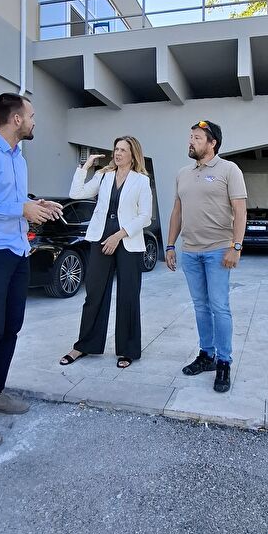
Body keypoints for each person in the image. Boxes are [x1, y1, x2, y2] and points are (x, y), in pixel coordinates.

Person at [0, 93, 63, 448]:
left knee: (10, 327)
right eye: (31, 115)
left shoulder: (18, 157)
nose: (34, 121)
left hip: (17, 251)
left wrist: (34, 204)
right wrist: (21, 209)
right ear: (16, 119)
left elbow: (10, 200)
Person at [166, 120, 247, 393]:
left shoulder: (229, 170)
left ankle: (224, 361)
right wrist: (170, 245)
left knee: (219, 307)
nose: (191, 142)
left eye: (197, 138)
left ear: (212, 143)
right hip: (190, 251)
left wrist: (236, 246)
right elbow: (177, 212)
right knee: (201, 307)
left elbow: (240, 210)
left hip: (218, 250)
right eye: (191, 137)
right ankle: (207, 355)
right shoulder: (183, 174)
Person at [59, 136, 152, 369]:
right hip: (100, 239)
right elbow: (76, 193)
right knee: (94, 294)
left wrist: (119, 235)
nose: (118, 153)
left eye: (123, 150)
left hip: (127, 241)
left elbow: (145, 217)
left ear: (133, 155)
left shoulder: (141, 181)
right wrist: (86, 167)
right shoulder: (104, 176)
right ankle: (84, 345)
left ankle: (127, 350)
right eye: (116, 149)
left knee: (128, 296)